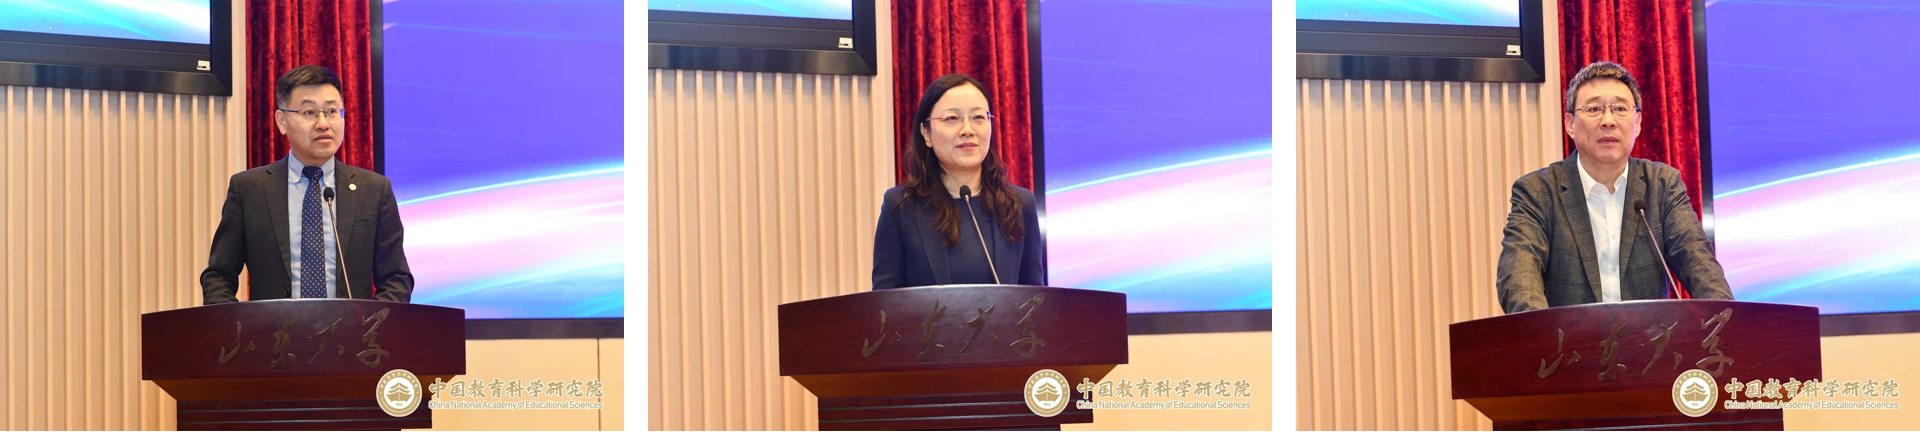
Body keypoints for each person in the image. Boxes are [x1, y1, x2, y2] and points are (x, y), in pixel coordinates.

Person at [1496, 61, 1732, 313]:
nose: (1608, 121)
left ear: (1637, 122)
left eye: (1620, 108)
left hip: (1650, 337)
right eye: (1594, 109)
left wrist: (1731, 323)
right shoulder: (1537, 192)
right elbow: (1518, 278)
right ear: (1570, 124)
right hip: (1567, 338)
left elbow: (1699, 263)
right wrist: (1542, 331)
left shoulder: (1662, 185)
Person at [201, 65, 413, 303]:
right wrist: (240, 323)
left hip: (353, 328)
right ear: (282, 121)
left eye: (332, 111)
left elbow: (396, 278)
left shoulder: (374, 190)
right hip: (273, 328)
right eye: (309, 112)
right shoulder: (250, 189)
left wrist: (372, 323)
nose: (323, 123)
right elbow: (218, 276)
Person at [872, 73, 1045, 290]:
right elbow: (885, 302)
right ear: (926, 133)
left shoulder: (1020, 204)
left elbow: (1035, 300)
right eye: (952, 118)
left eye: (978, 117)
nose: (968, 130)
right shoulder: (900, 207)